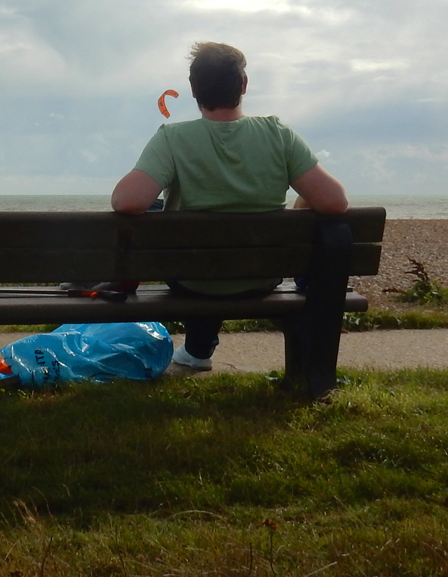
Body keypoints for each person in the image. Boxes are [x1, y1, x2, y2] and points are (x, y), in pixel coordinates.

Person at [110, 41, 348, 370]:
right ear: (244, 85)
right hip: (260, 275)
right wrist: (299, 204)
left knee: (184, 236)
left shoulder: (173, 138)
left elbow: (127, 201)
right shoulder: (278, 134)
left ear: (193, 90)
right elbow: (335, 201)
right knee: (217, 251)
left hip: (192, 278)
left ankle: (197, 351)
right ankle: (198, 352)